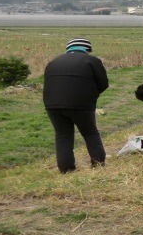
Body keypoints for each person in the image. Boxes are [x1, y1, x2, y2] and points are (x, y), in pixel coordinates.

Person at [43, 38, 108, 173]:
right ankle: (97, 164)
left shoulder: (53, 61)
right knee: (90, 133)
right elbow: (103, 83)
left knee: (63, 135)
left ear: (68, 49)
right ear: (87, 49)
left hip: (52, 105)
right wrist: (91, 95)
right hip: (81, 104)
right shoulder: (92, 60)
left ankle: (66, 170)